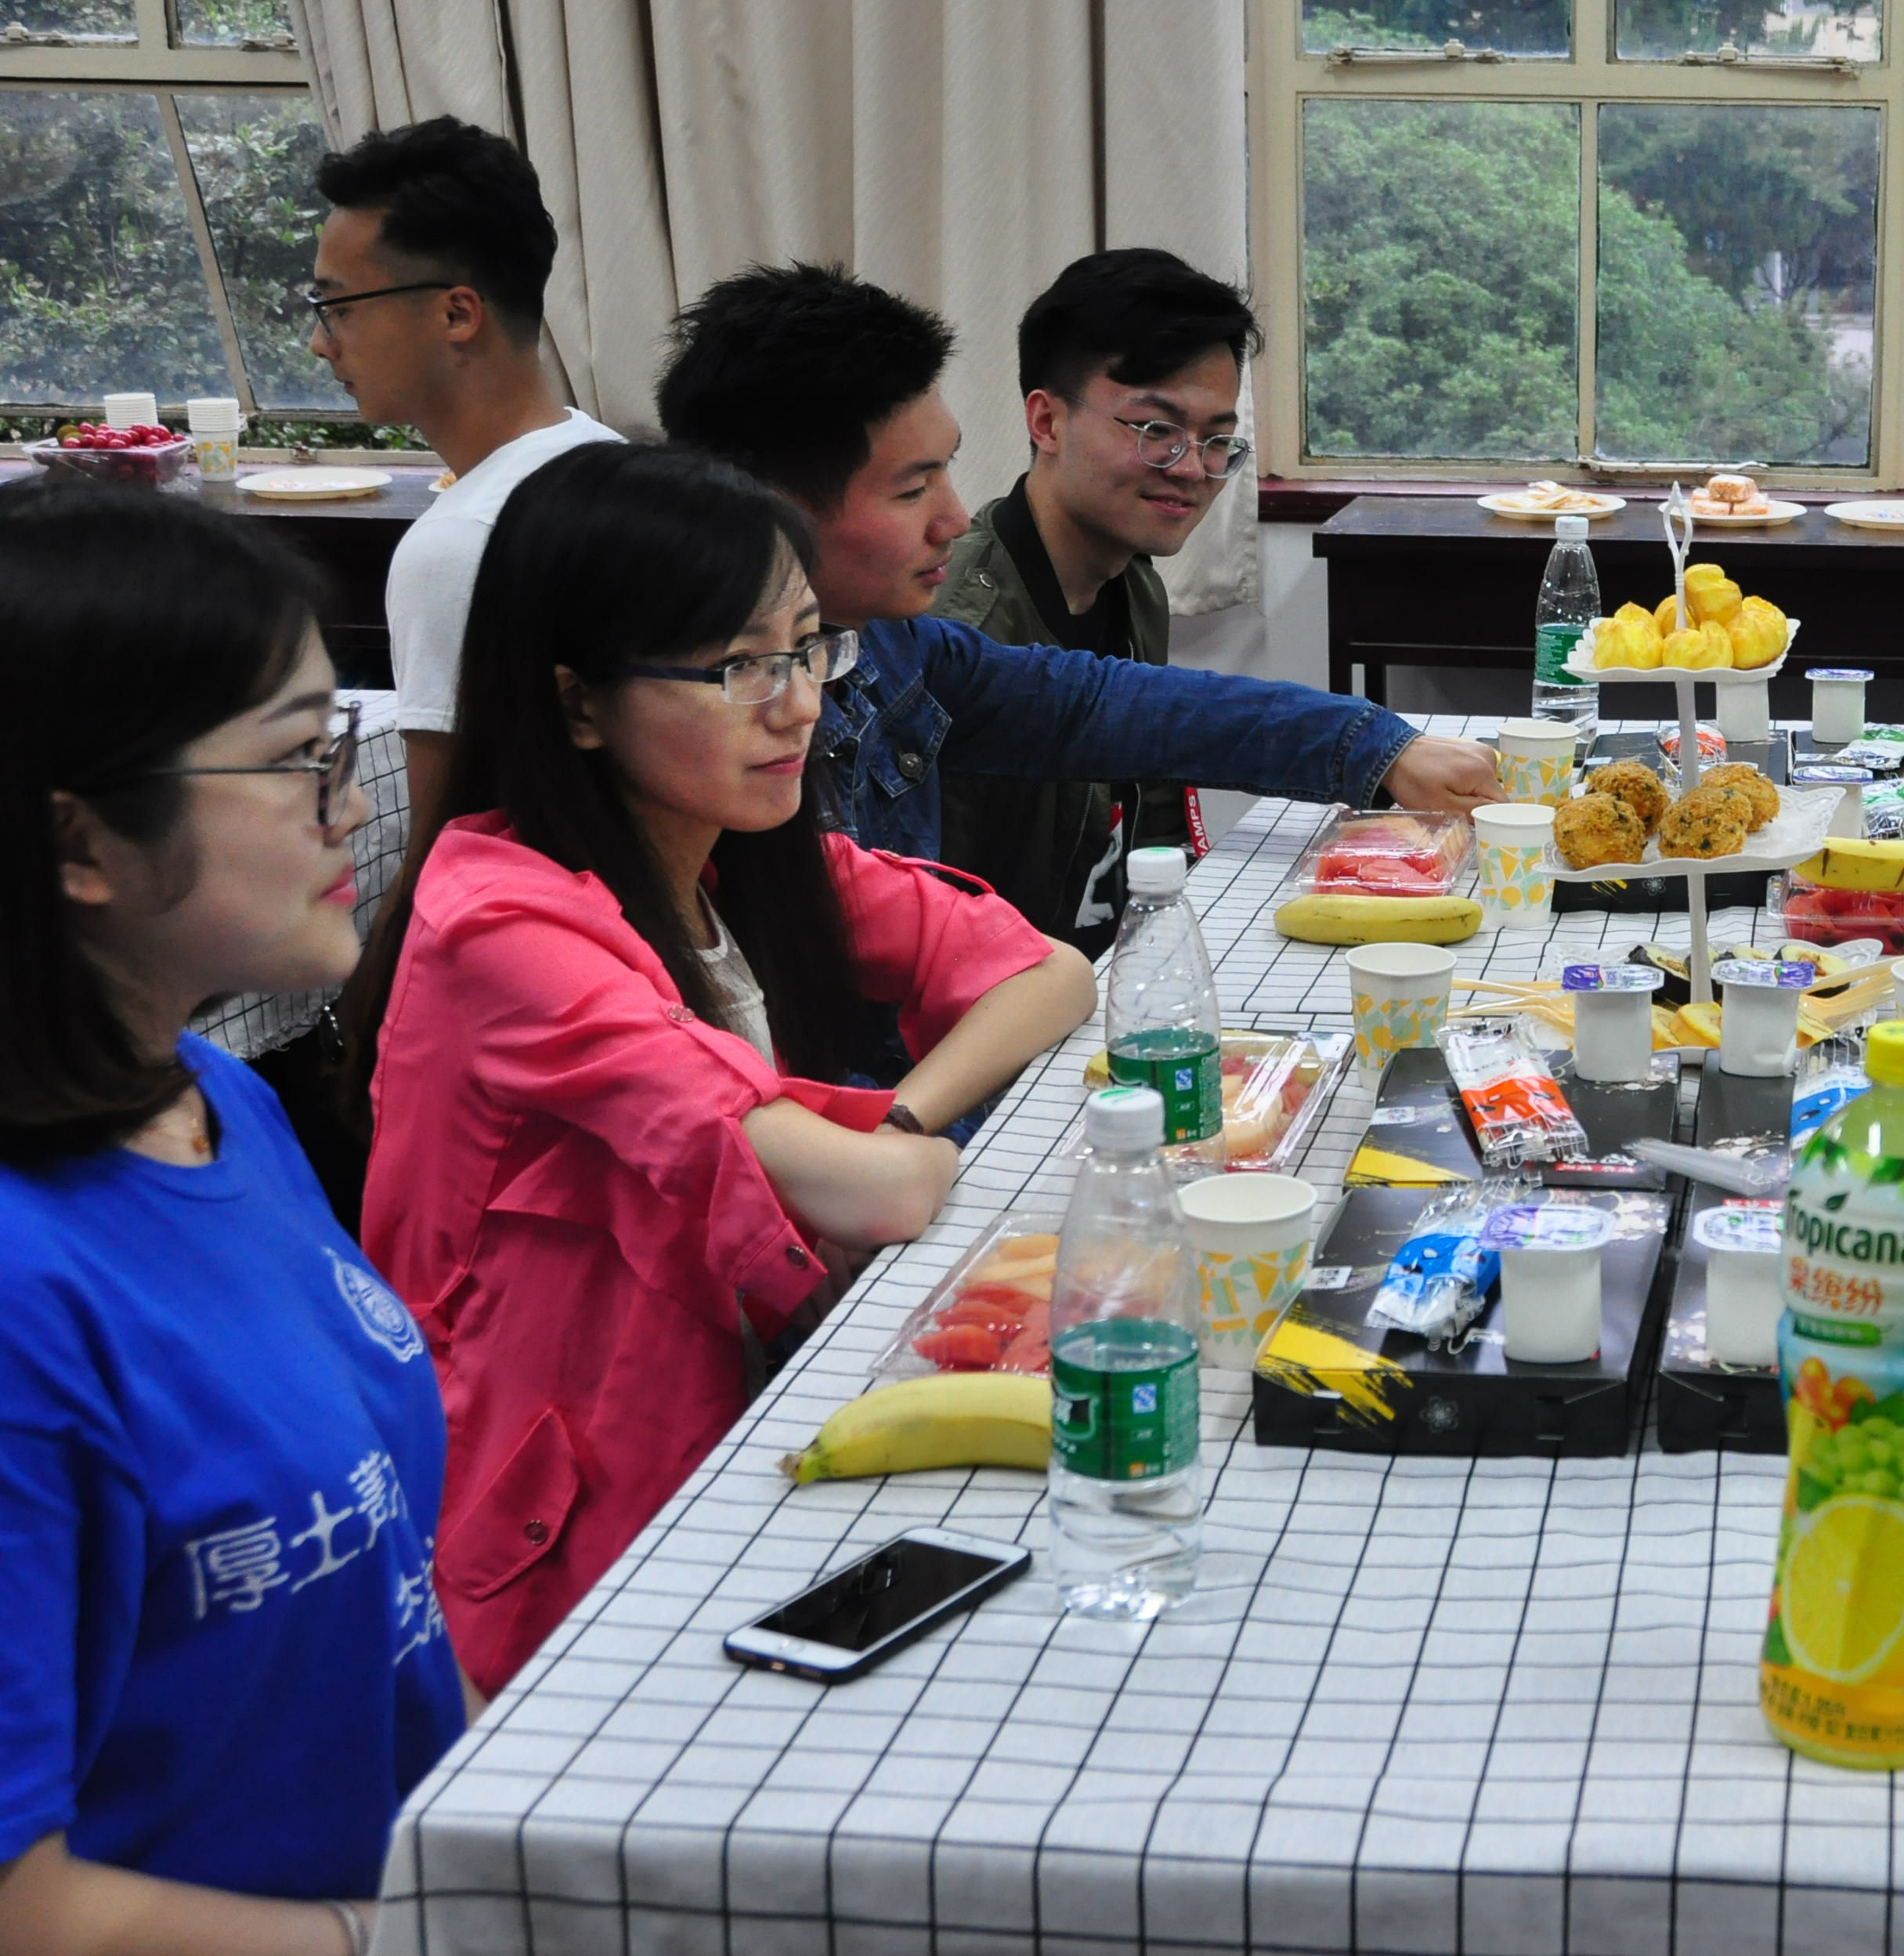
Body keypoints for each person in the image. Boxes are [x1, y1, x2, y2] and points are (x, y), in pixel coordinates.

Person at [353, 447, 1095, 1692]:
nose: (797, 704)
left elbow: (1051, 975)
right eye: (738, 667)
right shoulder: (496, 922)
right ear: (577, 703)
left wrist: (901, 1121)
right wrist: (888, 1157)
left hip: (721, 1414)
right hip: (540, 1522)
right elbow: (877, 1197)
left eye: (806, 650)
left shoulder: (728, 850)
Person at [0, 482, 463, 1947]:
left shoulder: (214, 1097)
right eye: (295, 758)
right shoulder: (23, 1288)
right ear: (78, 842)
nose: (352, 804)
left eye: (340, 745)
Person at [652, 263, 1499, 880]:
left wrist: (1376, 742)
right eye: (913, 489)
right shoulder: (703, 738)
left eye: (1214, 440)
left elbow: (1106, 706)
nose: (954, 516)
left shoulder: (896, 647)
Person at [932, 248, 1259, 946]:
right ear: (1047, 423)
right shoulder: (959, 628)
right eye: (1157, 431)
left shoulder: (1135, 584)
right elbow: (939, 917)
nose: (1193, 469)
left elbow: (1156, 825)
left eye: (1216, 440)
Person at [306, 115, 618, 841]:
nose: (320, 343)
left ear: (456, 313)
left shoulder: (462, 542)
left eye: (338, 308)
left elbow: (448, 845)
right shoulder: (603, 454)